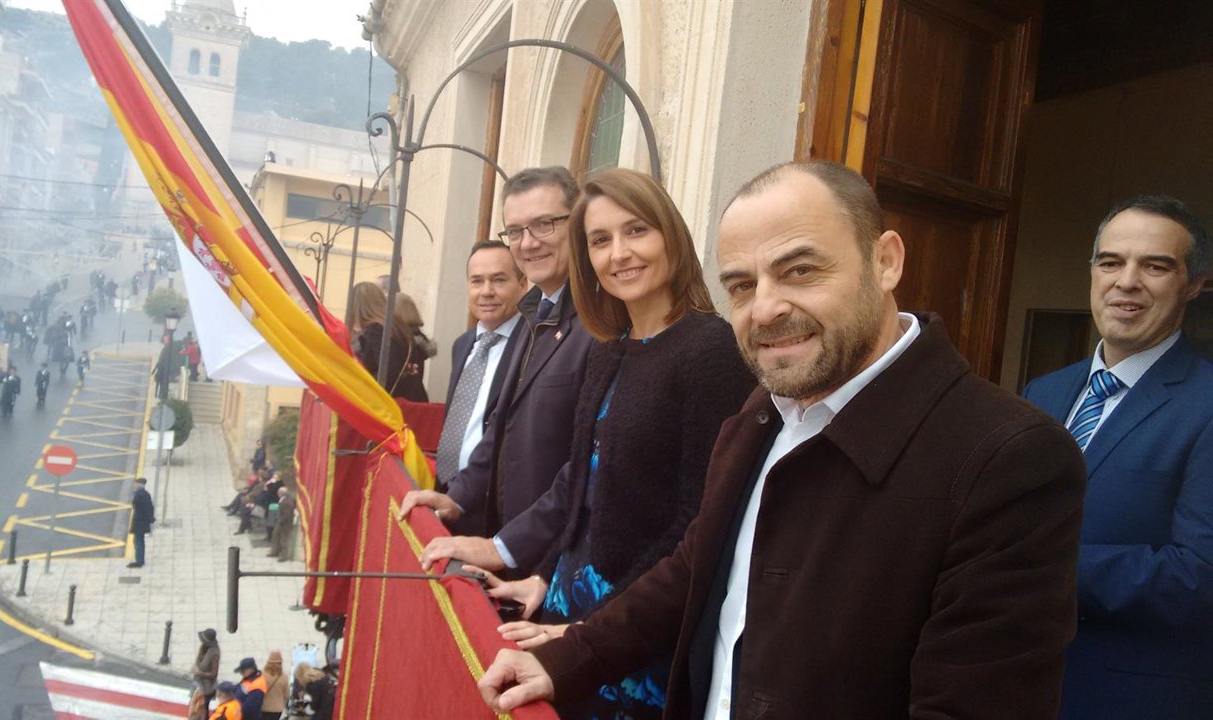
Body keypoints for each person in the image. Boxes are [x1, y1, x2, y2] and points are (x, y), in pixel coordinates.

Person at [477, 161, 1088, 718]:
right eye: (742, 285)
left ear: (887, 261)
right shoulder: (761, 411)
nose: (766, 309)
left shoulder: (1010, 456)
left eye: (800, 270)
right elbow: (693, 566)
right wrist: (567, 657)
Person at [472, 168, 756, 718]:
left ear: (671, 236)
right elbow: (585, 484)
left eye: (637, 231)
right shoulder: (610, 347)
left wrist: (594, 628)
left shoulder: (710, 351)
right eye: (600, 241)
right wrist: (545, 575)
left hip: (635, 636)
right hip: (567, 612)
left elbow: (698, 525)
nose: (619, 253)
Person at [1023, 195, 1213, 719]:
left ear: (1195, 284)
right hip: (1018, 685)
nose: (1126, 281)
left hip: (1131, 699)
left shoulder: (1207, 404)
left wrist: (1031, 563)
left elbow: (1199, 576)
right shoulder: (1043, 392)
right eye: (1110, 262)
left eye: (1155, 265)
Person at [400, 166, 595, 571]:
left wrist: (508, 550)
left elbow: (587, 467)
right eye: (516, 230)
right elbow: (499, 432)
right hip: (513, 545)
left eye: (544, 224)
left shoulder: (600, 322)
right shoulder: (532, 316)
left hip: (555, 562)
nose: (528, 243)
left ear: (577, 225)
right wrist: (458, 498)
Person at [432, 240, 525, 516]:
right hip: (446, 494)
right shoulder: (462, 345)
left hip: (494, 506)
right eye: (477, 281)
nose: (487, 292)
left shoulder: (533, 345)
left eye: (498, 280)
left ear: (522, 284)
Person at [347, 282, 427, 401]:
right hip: (412, 399)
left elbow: (387, 371)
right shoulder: (396, 324)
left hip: (392, 404)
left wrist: (362, 391)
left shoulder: (377, 329)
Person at [190, 628, 221, 718]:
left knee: (203, 710)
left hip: (207, 688)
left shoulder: (214, 653)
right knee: (195, 705)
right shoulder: (203, 648)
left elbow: (214, 674)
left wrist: (199, 672)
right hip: (198, 684)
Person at [128, 478, 154, 568]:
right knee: (138, 540)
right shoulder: (146, 494)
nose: (134, 485)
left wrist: (150, 519)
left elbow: (139, 506)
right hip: (142, 522)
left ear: (139, 484)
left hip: (139, 522)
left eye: (135, 484)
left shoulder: (139, 495)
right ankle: (139, 559)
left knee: (138, 541)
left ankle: (139, 561)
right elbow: (150, 507)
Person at [267, 487, 296, 562]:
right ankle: (275, 551)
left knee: (284, 540)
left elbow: (287, 515)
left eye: (278, 492)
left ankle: (284, 556)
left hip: (284, 524)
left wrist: (280, 522)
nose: (277, 494)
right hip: (280, 522)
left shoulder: (287, 502)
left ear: (282, 493)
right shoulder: (284, 499)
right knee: (275, 535)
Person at [261, 650, 289, 720]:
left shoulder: (263, 675)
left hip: (264, 708)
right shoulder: (284, 677)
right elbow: (286, 695)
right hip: (278, 709)